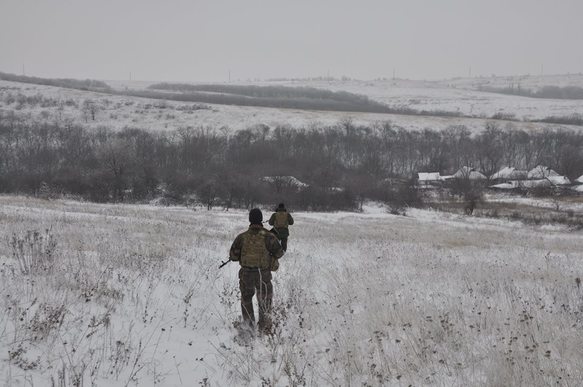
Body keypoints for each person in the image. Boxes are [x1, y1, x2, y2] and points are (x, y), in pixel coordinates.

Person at [229, 208, 284, 336]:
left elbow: (233, 256)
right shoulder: (269, 236)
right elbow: (279, 253)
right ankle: (264, 329)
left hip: (246, 274)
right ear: (260, 219)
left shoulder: (241, 237)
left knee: (246, 299)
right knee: (265, 301)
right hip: (263, 274)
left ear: (250, 220)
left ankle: (249, 327)